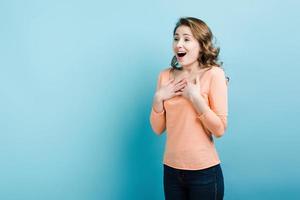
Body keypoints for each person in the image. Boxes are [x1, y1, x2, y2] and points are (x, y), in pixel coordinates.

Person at [149, 17, 228, 200]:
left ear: (201, 44)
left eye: (186, 39)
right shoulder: (164, 76)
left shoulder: (214, 74)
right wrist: (158, 98)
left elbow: (219, 129)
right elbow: (158, 129)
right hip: (171, 170)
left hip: (204, 173)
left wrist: (195, 98)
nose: (179, 44)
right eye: (176, 38)